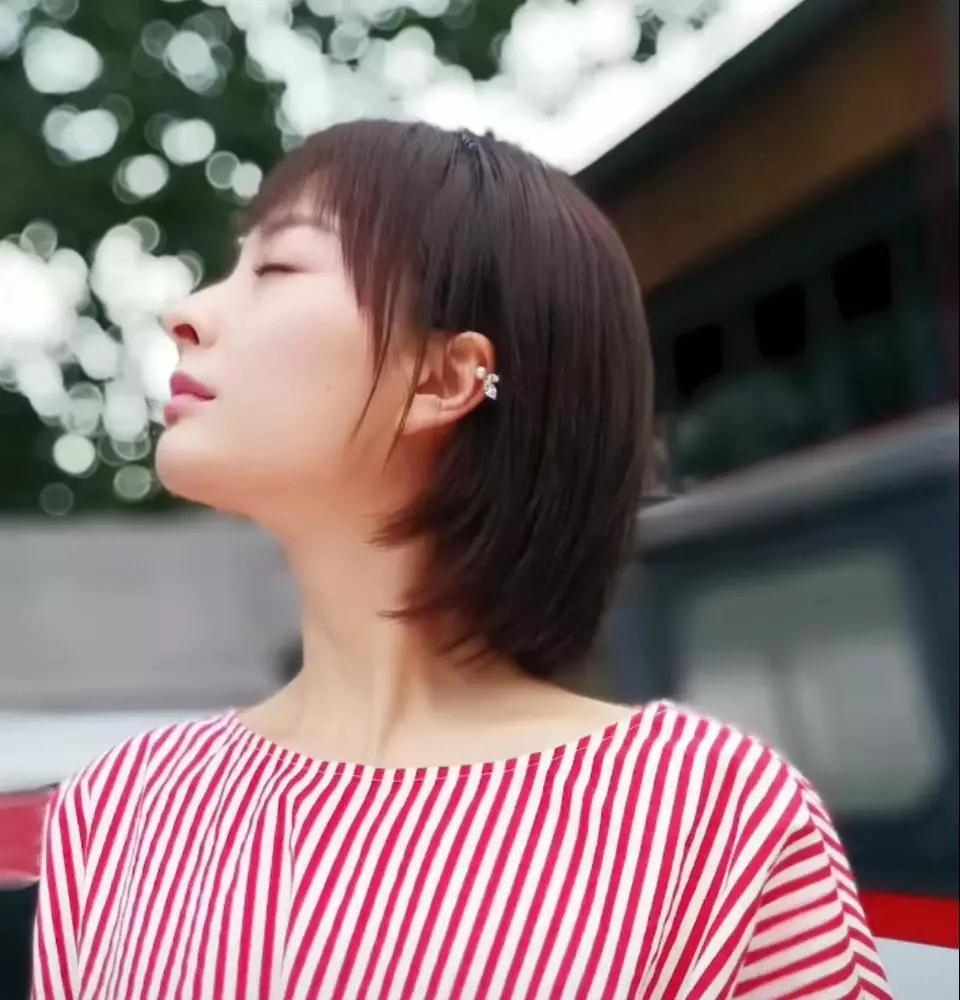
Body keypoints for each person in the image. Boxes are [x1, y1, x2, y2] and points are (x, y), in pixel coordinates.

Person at [30, 120, 891, 999]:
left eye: (277, 269)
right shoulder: (121, 809)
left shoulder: (712, 817)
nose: (186, 313)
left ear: (443, 379)